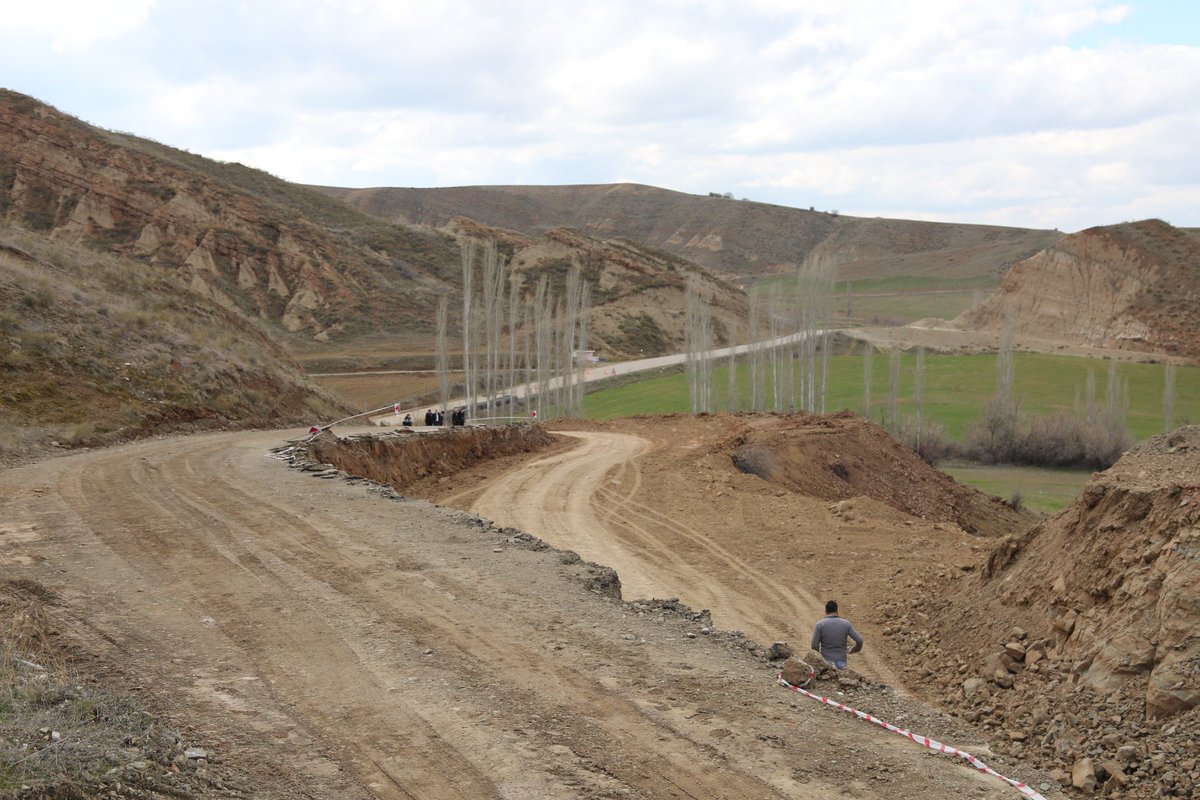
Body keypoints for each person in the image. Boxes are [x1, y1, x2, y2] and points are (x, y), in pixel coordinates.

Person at [811, 599, 863, 670]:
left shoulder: (820, 625)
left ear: (826, 611)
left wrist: (819, 657)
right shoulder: (846, 624)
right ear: (837, 611)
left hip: (826, 662)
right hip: (841, 661)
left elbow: (814, 645)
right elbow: (859, 640)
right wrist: (855, 649)